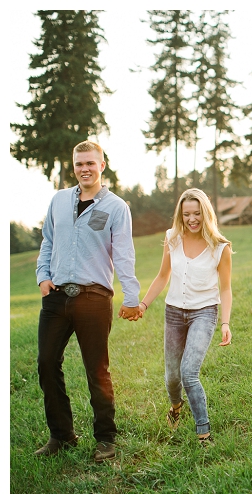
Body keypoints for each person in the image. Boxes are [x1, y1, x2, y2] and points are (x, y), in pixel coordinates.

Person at [35, 140, 141, 463]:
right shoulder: (58, 201)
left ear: (102, 166)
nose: (85, 169)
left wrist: (132, 296)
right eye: (79, 163)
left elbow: (123, 255)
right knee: (46, 362)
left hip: (94, 298)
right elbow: (48, 241)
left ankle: (106, 439)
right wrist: (43, 275)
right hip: (56, 297)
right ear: (74, 166)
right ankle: (62, 435)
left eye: (90, 163)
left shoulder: (116, 208)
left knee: (97, 370)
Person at [137, 188, 232, 444]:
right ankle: (176, 406)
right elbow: (162, 276)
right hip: (174, 312)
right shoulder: (173, 238)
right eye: (187, 214)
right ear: (180, 214)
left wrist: (225, 323)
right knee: (172, 378)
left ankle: (204, 432)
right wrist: (144, 305)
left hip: (204, 312)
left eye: (197, 213)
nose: (192, 219)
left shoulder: (220, 248)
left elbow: (225, 288)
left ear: (206, 214)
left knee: (189, 372)